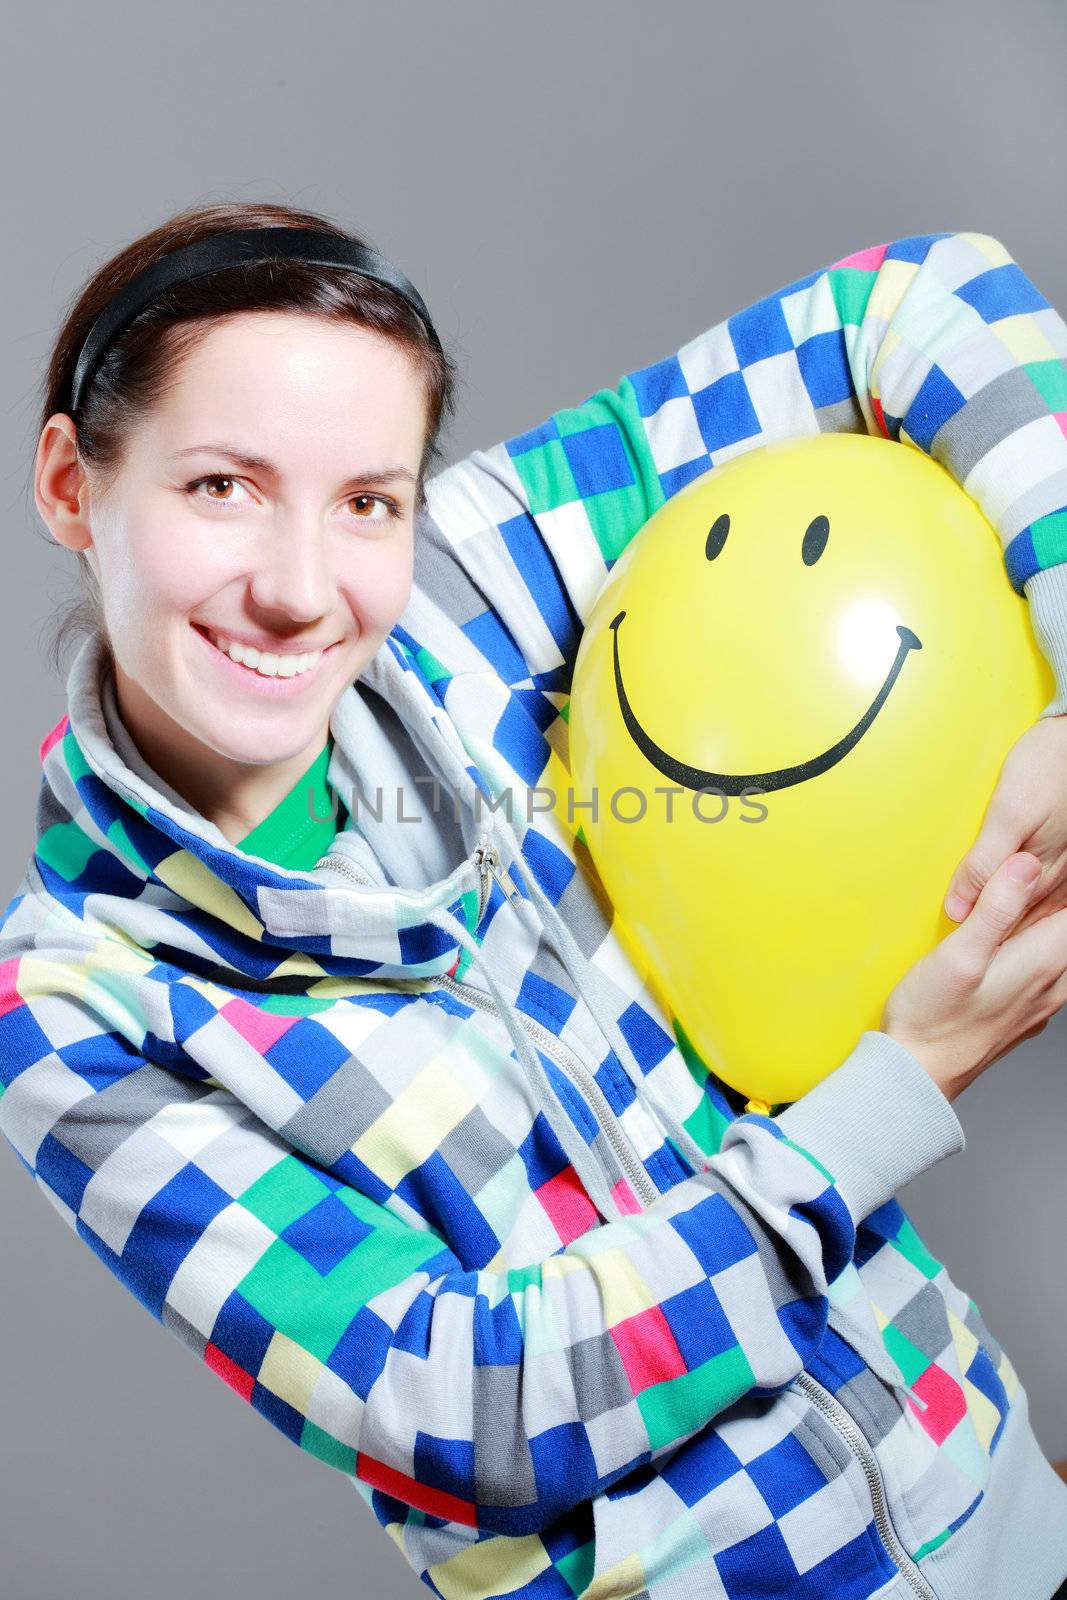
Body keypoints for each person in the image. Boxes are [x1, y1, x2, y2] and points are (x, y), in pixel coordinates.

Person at [2, 200, 1067, 1600]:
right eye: (221, 487)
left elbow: (915, 302)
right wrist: (903, 1082)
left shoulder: (470, 600)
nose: (300, 589)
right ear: (75, 485)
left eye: (369, 500)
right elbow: (468, 1412)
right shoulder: (76, 1006)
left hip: (1008, 1507)